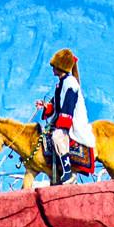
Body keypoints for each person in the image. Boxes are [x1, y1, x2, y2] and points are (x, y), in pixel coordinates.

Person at [41, 49, 93, 181]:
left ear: (60, 66)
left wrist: (62, 125)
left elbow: (68, 106)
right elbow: (56, 103)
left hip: (73, 120)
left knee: (58, 136)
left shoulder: (70, 83)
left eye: (54, 66)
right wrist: (46, 106)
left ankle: (68, 171)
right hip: (62, 117)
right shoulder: (61, 83)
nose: (52, 69)